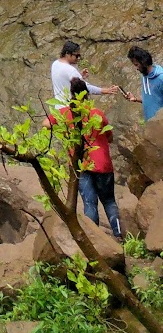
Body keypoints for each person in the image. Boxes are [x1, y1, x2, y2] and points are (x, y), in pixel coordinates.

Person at [63, 76, 122, 238]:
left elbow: (46, 124)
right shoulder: (97, 114)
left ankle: (93, 238)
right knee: (109, 201)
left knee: (89, 203)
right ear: (87, 94)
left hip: (82, 164)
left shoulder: (67, 113)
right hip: (102, 163)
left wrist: (64, 133)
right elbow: (109, 136)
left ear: (72, 94)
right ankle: (118, 235)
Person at [128, 45, 163, 122]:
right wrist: (136, 99)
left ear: (143, 62)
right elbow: (150, 98)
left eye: (137, 65)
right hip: (150, 122)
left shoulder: (161, 78)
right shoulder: (144, 76)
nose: (136, 68)